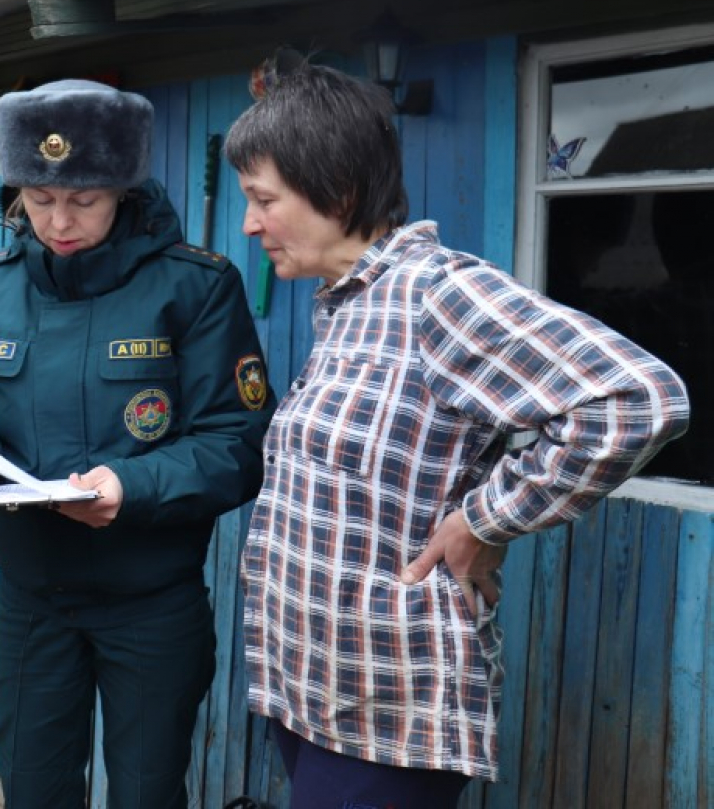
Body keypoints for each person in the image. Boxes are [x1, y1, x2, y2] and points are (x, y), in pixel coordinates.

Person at [225, 64, 691, 808]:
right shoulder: (347, 307)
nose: (249, 224)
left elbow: (637, 398)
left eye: (262, 200)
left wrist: (485, 518)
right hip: (314, 685)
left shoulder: (436, 294)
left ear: (337, 189)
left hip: (389, 704)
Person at [0, 78, 274, 808]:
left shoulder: (196, 287)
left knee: (147, 793)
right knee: (34, 789)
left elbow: (235, 445)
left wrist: (132, 486)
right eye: (40, 199)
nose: (59, 220)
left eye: (83, 199)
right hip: (32, 602)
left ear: (124, 186)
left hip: (150, 603)